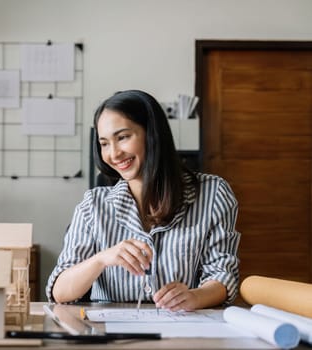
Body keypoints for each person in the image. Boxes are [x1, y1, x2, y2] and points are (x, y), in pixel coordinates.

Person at [46, 90, 240, 311]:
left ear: (152, 134)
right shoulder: (93, 206)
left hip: (180, 331)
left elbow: (223, 275)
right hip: (110, 338)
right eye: (104, 143)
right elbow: (59, 292)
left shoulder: (213, 194)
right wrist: (101, 259)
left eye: (123, 137)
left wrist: (196, 296)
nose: (114, 154)